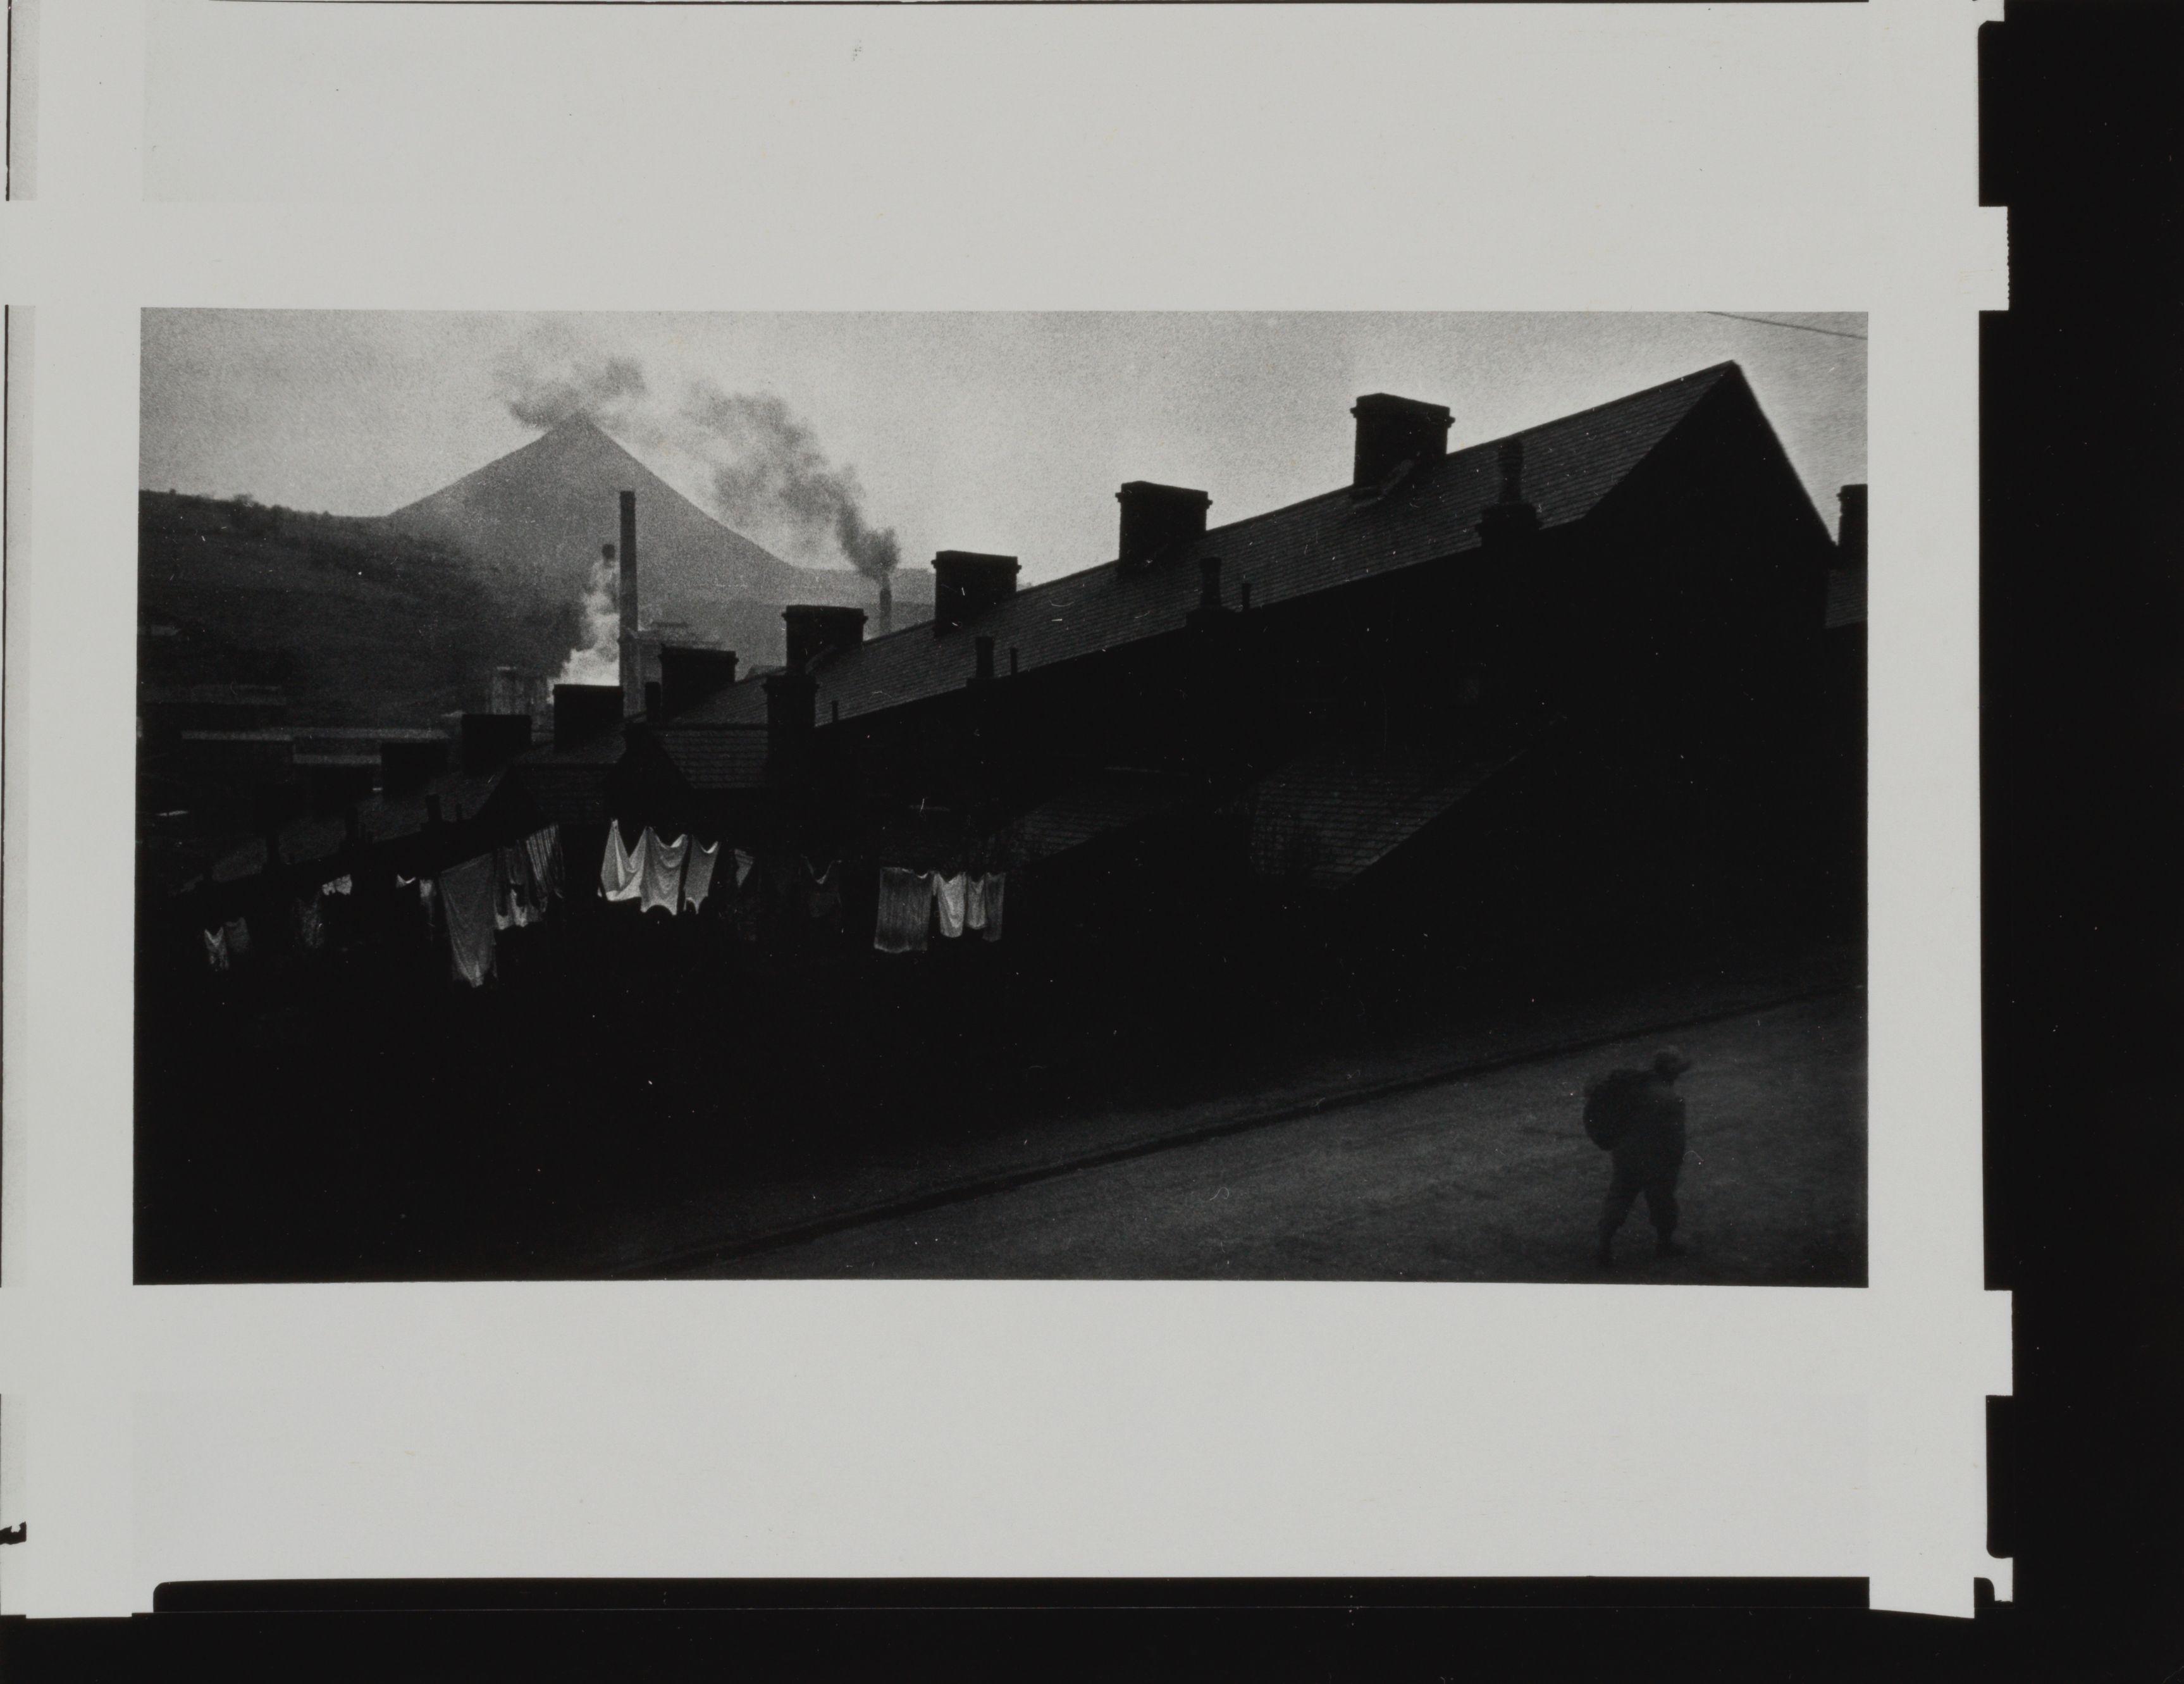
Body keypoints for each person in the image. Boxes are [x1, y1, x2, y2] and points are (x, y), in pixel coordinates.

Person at [1585, 1046, 1693, 1267]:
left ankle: (1603, 1245)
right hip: (1656, 1158)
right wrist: (1674, 1161)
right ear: (1671, 1072)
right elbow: (1675, 1138)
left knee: (1619, 1197)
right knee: (1662, 1201)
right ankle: (1664, 1244)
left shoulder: (1636, 1086)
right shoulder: (1672, 1099)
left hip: (1626, 1153)